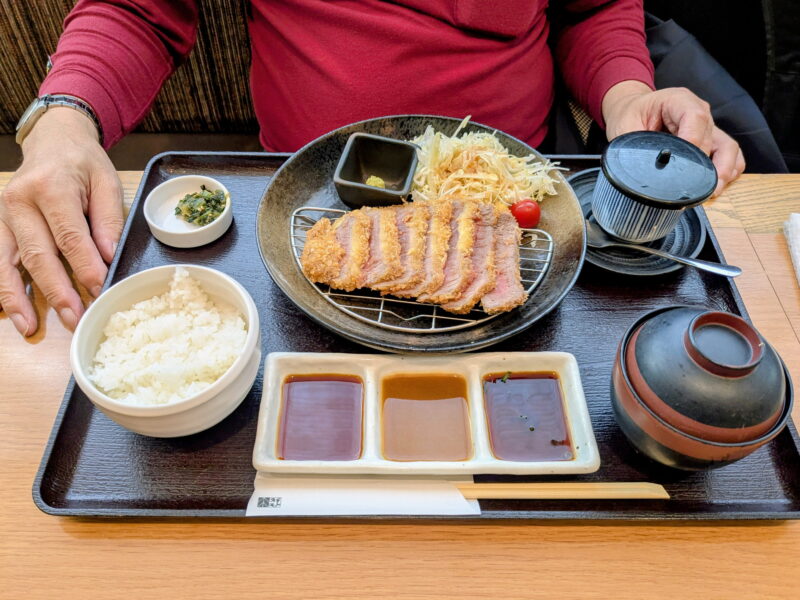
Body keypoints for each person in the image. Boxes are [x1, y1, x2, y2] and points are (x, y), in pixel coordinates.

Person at [0, 0, 744, 337]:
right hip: (300, 189)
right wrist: (64, 117)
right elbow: (138, 7)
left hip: (517, 189)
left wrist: (628, 100)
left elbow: (595, 9)